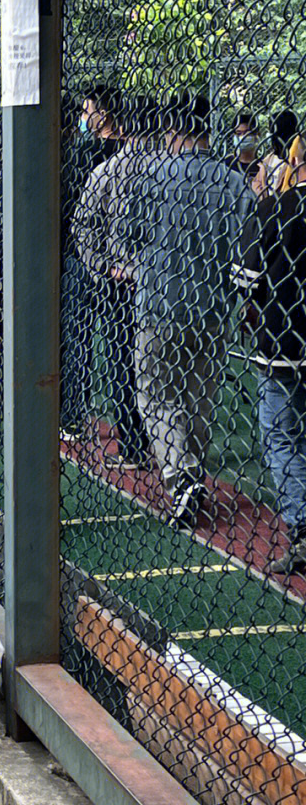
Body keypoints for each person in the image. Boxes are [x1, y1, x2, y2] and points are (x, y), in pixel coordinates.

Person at [115, 91, 254, 527]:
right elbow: (247, 247)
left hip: (159, 302)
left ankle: (181, 477)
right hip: (212, 307)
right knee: (197, 400)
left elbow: (127, 233)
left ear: (172, 131)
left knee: (155, 396)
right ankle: (191, 477)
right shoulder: (233, 182)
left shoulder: (154, 175)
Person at [71, 93, 161, 469]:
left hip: (119, 283)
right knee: (159, 369)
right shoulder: (166, 169)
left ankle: (135, 445)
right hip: (162, 284)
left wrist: (103, 267)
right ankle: (164, 448)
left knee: (122, 363)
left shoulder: (108, 171)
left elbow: (82, 226)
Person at [240, 135, 306, 573]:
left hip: (282, 343)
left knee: (280, 435)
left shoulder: (273, 210)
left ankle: (302, 527)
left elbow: (246, 279)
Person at [61, 85, 122, 440]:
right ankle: (132, 428)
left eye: (89, 111)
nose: (85, 118)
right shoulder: (131, 156)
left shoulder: (83, 152)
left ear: (104, 113)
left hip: (83, 256)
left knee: (78, 337)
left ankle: (72, 416)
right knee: (117, 343)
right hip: (120, 260)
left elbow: (74, 207)